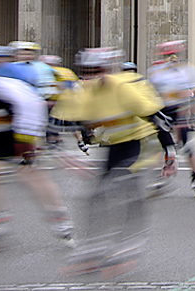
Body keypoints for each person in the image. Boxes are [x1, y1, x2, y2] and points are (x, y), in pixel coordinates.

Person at [53, 47, 173, 278]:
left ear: (107, 70)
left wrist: (169, 153)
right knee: (95, 196)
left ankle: (129, 245)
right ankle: (92, 250)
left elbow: (158, 117)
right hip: (111, 146)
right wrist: (57, 148)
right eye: (86, 73)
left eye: (96, 72)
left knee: (124, 189)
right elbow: (58, 120)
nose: (91, 78)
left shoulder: (121, 88)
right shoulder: (80, 91)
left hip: (136, 142)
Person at [0, 50, 76, 255]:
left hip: (24, 126)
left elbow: (30, 105)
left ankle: (61, 220)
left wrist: (26, 144)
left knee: (32, 176)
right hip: (3, 134)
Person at [146, 40, 195, 194]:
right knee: (160, 145)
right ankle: (160, 173)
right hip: (162, 109)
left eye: (173, 56)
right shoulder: (155, 72)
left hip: (179, 109)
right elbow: (151, 93)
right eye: (167, 56)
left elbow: (190, 94)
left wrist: (184, 119)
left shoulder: (186, 71)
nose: (170, 59)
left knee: (186, 144)